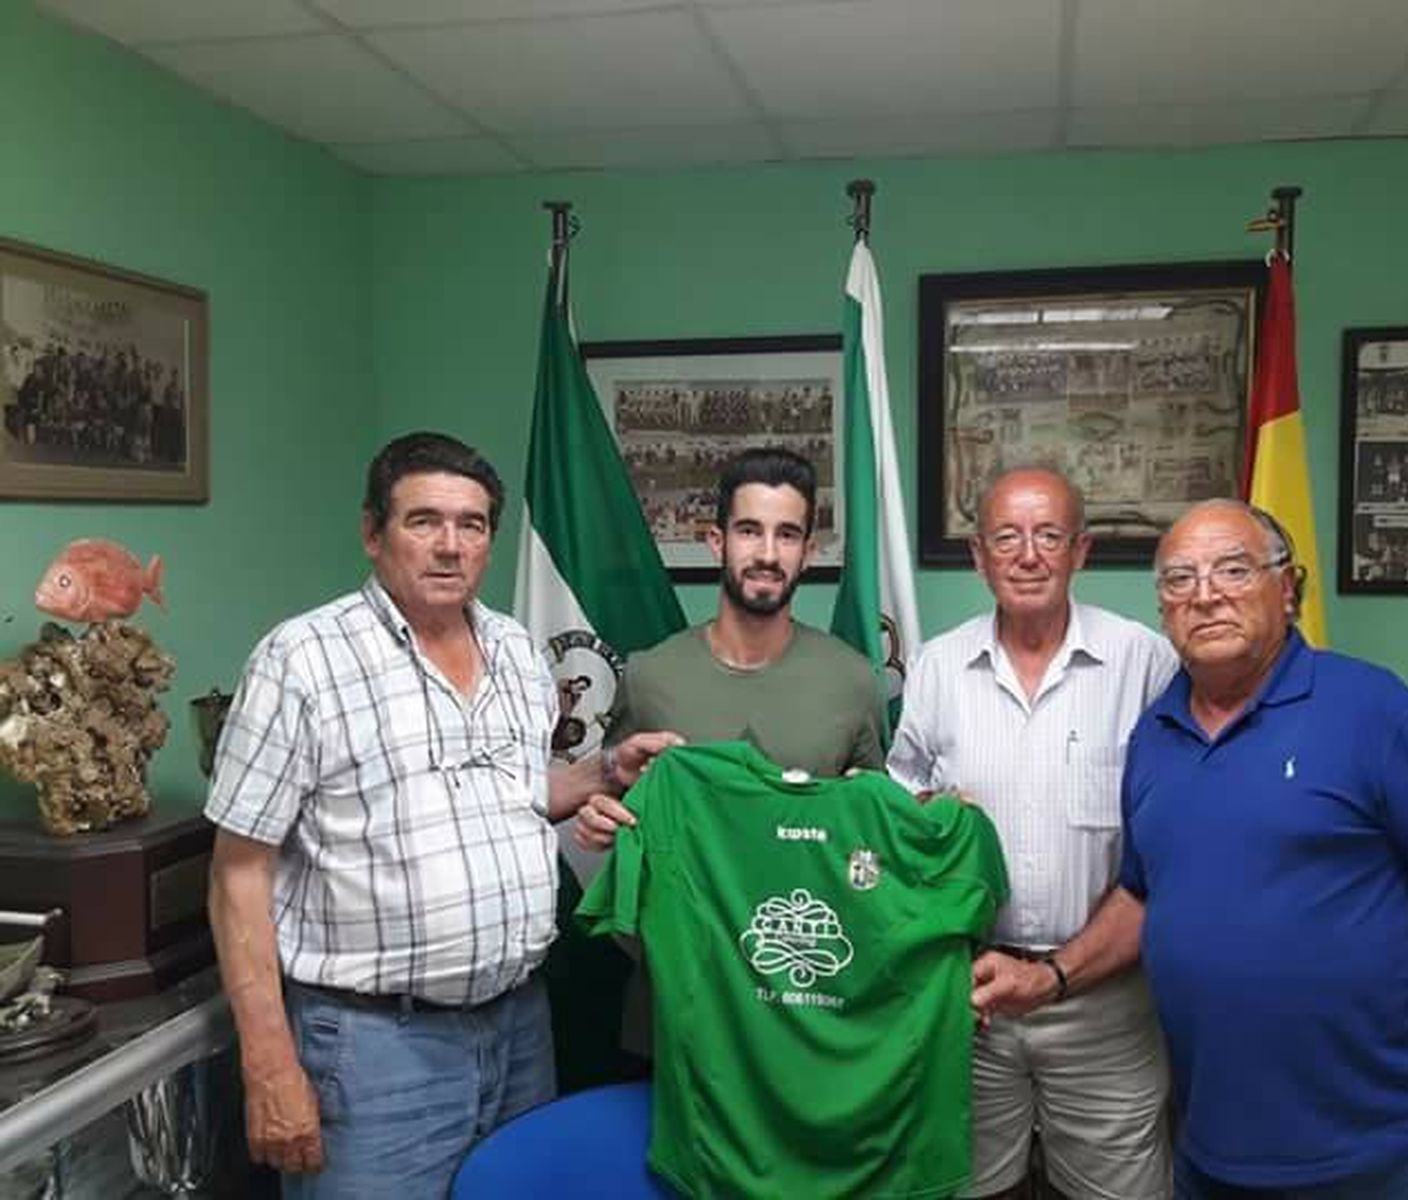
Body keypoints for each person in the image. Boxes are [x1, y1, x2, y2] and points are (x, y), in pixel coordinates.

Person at [205, 431, 679, 1197]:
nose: (450, 546)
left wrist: (602, 771)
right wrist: (268, 1064)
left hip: (520, 1028)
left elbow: (514, 793)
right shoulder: (302, 660)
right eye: (424, 521)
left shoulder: (517, 650)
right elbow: (238, 871)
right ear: (373, 532)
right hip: (373, 1049)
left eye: (472, 524)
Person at [1120, 498, 1408, 1199]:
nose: (1205, 594)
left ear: (1289, 588)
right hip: (1212, 1153)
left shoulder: (1375, 711)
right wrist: (1051, 977)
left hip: (1383, 1153)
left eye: (1233, 569)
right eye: (1178, 579)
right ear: (1162, 609)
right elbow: (1145, 899)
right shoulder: (1151, 736)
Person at [887, 467, 1179, 1200]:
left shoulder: (1145, 663)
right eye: (1007, 538)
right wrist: (924, 817)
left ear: (1080, 551)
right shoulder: (936, 668)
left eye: (1048, 535)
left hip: (1106, 1000)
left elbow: (1177, 836)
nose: (1028, 555)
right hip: (971, 998)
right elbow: (899, 815)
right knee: (967, 1188)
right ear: (979, 558)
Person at [574, 445, 883, 851]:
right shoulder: (649, 675)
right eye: (749, 531)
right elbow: (618, 803)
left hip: (803, 910)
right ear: (718, 541)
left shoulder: (853, 680)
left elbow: (873, 827)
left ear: (808, 553)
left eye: (787, 535)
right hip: (681, 911)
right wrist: (601, 821)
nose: (768, 554)